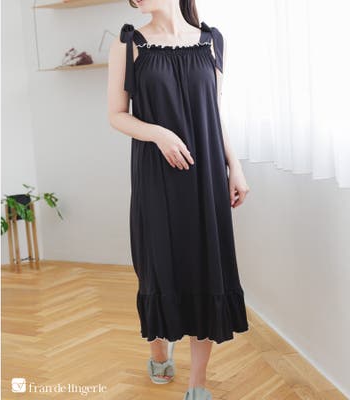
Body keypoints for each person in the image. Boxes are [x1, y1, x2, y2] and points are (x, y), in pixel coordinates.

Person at [107, 1, 250, 398]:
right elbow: (117, 114)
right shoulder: (129, 43)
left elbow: (213, 112)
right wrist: (159, 134)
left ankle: (197, 384)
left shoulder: (211, 41)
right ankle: (159, 349)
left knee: (206, 268)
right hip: (156, 174)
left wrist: (235, 166)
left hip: (206, 173)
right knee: (158, 265)